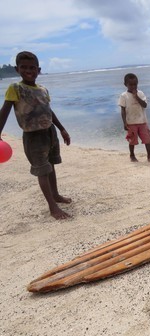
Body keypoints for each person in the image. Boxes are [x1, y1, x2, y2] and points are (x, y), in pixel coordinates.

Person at [0, 51, 72, 220]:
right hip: (33, 136)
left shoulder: (42, 89)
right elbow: (5, 111)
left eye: (32, 67)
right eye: (24, 67)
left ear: (38, 70)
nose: (28, 70)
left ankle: (56, 195)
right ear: (17, 69)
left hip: (50, 132)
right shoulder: (16, 88)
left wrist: (62, 129)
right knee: (42, 170)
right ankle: (53, 207)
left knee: (51, 165)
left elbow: (48, 111)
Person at [118, 73, 150, 162]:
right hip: (131, 122)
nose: (133, 86)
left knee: (147, 139)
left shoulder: (141, 93)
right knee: (132, 140)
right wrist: (124, 123)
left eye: (135, 84)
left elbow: (145, 105)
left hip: (142, 121)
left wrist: (136, 97)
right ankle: (132, 155)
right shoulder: (124, 96)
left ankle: (149, 156)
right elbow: (123, 110)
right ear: (125, 85)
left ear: (137, 83)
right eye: (130, 84)